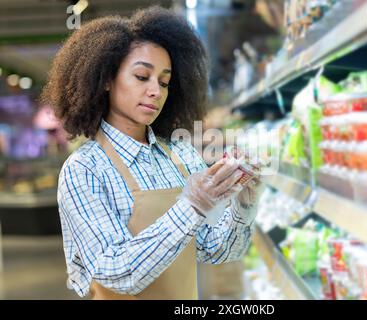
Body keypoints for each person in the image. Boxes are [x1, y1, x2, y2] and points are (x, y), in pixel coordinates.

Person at [40, 6, 263, 300]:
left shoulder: (181, 155)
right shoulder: (85, 169)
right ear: (106, 79)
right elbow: (117, 272)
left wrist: (243, 208)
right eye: (142, 76)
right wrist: (191, 207)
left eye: (164, 81)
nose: (156, 90)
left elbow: (215, 250)